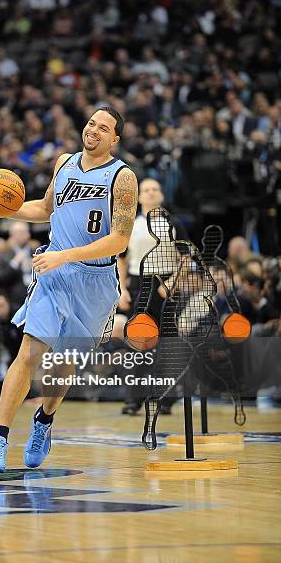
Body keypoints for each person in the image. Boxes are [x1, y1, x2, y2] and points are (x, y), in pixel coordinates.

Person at [0, 106, 138, 472]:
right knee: (30, 352)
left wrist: (66, 256)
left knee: (63, 365)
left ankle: (44, 422)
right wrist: (2, 210)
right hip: (54, 274)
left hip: (94, 280)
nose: (94, 130)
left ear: (115, 139)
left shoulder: (122, 177)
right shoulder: (64, 162)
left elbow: (120, 240)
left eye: (104, 127)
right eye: (92, 122)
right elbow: (46, 209)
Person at [118, 178, 188, 415]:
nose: (150, 193)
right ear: (139, 197)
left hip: (165, 285)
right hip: (139, 284)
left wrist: (171, 282)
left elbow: (187, 257)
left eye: (155, 189)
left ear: (161, 195)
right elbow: (122, 259)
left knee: (167, 345)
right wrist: (123, 289)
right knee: (137, 344)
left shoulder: (173, 222)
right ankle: (133, 400)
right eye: (145, 190)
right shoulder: (129, 224)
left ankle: (166, 399)